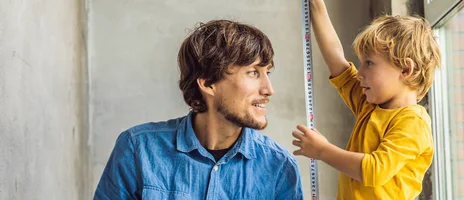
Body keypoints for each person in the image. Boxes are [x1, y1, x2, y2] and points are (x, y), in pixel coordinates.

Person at [94, 19, 303, 200]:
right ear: (208, 83)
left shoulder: (279, 167)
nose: (269, 89)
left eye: (267, 72)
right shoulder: (137, 149)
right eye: (253, 73)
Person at [291, 0, 441, 199]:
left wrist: (322, 151)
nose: (359, 73)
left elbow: (375, 170)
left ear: (405, 69)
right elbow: (337, 60)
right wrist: (317, 5)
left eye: (369, 63)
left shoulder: (413, 123)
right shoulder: (369, 106)